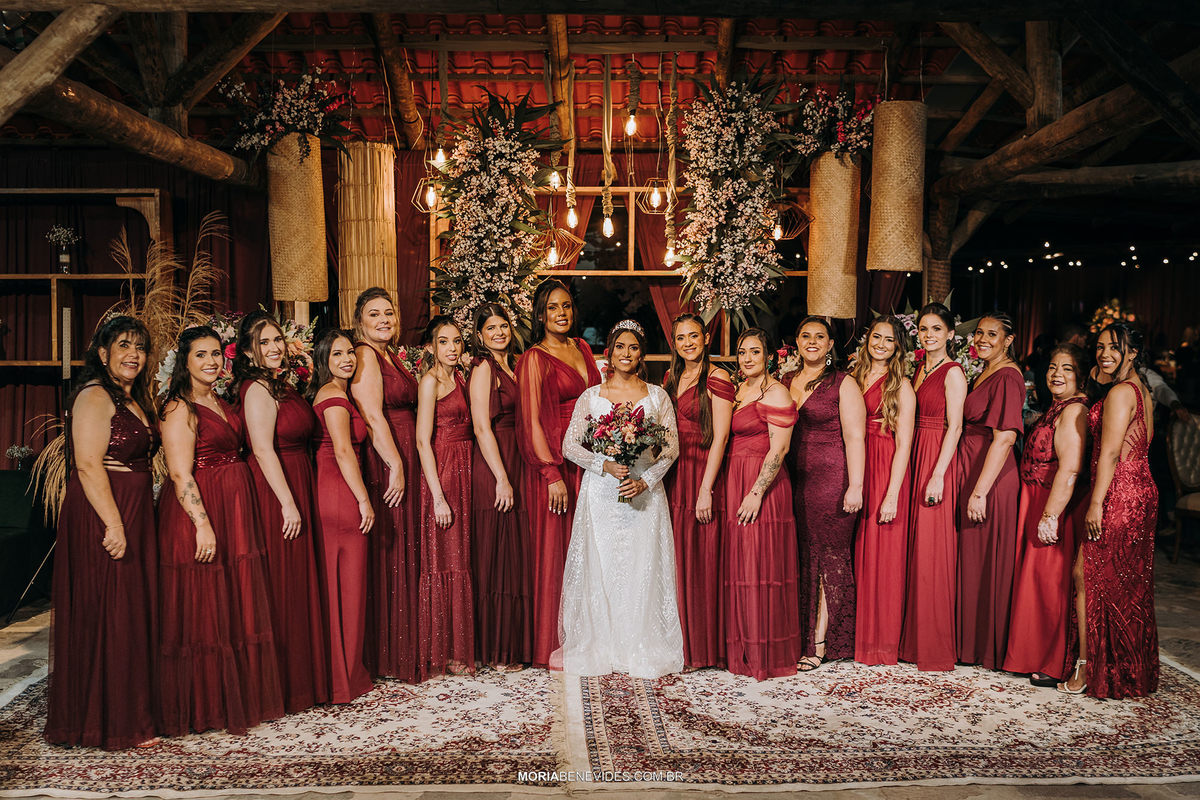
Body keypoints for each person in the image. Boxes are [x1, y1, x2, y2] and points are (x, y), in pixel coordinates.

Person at [157, 326, 284, 735]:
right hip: (205, 508)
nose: (212, 361)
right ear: (185, 361)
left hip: (235, 506)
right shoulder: (180, 407)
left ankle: (239, 693)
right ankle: (207, 704)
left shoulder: (219, 398)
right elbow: (179, 473)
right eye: (201, 355)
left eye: (216, 353)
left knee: (233, 597)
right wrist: (203, 526)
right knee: (205, 605)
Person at [45, 316, 159, 750]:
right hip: (104, 513)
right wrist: (114, 523)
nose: (133, 354)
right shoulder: (94, 395)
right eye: (124, 346)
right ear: (103, 352)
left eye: (140, 348)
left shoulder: (132, 398)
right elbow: (89, 464)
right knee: (111, 611)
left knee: (128, 612)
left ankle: (128, 711)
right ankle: (111, 722)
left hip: (133, 510)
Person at [556, 320, 682, 678]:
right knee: (604, 565)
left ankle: (639, 643)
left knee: (642, 565)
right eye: (620, 347)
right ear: (608, 351)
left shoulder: (657, 396)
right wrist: (604, 464)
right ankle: (603, 643)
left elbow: (671, 447)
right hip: (602, 493)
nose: (626, 354)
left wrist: (646, 480)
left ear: (641, 354)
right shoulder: (591, 397)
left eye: (634, 347)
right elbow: (569, 446)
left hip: (644, 493)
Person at [233, 311, 329, 713]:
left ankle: (303, 679)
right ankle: (284, 686)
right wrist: (288, 501)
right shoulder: (257, 389)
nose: (273, 348)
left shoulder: (282, 384)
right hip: (276, 488)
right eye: (264, 343)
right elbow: (261, 449)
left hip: (297, 479)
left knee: (296, 578)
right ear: (248, 352)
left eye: (276, 340)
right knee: (282, 580)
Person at [1062, 323, 1159, 698]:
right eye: (1100, 346)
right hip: (1141, 488)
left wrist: (1097, 503)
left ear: (1132, 353)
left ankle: (1088, 669)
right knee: (1125, 583)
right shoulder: (1140, 389)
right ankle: (1129, 668)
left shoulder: (1120, 392)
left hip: (1119, 491)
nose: (1105, 353)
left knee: (1087, 576)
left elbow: (1111, 452)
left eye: (1114, 348)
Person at [515, 280, 601, 667]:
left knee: (586, 551)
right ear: (540, 314)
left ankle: (587, 637)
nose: (562, 313)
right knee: (557, 552)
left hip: (587, 460)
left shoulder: (582, 348)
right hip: (554, 462)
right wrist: (550, 472)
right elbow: (530, 420)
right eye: (553, 307)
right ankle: (552, 642)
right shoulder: (534, 358)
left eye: (566, 306)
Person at [1004, 344, 1089, 686]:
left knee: (1049, 585)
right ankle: (1028, 653)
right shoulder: (1058, 408)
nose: (1057, 374)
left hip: (1052, 502)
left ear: (1080, 374)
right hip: (1034, 497)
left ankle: (1053, 662)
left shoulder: (1074, 412)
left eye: (1067, 369)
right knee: (1033, 582)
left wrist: (1051, 515)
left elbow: (1070, 468)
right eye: (1053, 367)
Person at [785, 317, 865, 671]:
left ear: (831, 344)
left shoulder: (843, 383)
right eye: (806, 336)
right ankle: (800, 635)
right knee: (803, 557)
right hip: (795, 481)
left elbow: (855, 437)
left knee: (826, 558)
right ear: (797, 342)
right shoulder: (786, 381)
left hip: (832, 480)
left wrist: (856, 485)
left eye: (820, 337)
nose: (812, 341)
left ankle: (821, 642)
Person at [723, 328, 801, 680]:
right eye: (742, 352)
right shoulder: (739, 391)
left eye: (755, 351)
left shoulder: (776, 391)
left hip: (762, 486)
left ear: (769, 356)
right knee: (742, 566)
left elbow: (780, 449)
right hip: (735, 477)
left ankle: (764, 653)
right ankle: (741, 647)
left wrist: (756, 492)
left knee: (761, 567)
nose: (748, 358)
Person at [351, 287, 420, 682]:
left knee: (405, 547)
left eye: (389, 313)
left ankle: (403, 646)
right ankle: (387, 653)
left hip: (403, 451)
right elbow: (373, 415)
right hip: (386, 458)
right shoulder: (364, 355)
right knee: (391, 550)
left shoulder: (389, 354)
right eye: (374, 314)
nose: (383, 320)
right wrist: (395, 463)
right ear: (359, 319)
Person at [662, 313, 735, 670]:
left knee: (700, 559)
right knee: (677, 559)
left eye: (694, 336)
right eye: (681, 338)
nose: (688, 343)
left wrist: (706, 489)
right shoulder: (672, 376)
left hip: (702, 472)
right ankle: (681, 643)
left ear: (706, 338)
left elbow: (721, 435)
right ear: (673, 343)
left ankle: (703, 648)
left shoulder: (717, 376)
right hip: (674, 474)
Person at [898, 303, 967, 672]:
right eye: (924, 329)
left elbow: (955, 427)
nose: (929, 335)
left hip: (935, 456)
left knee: (933, 549)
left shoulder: (953, 373)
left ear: (950, 334)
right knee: (916, 548)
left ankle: (934, 646)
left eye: (937, 329)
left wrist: (939, 473)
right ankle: (913, 640)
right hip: (915, 453)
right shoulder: (922, 367)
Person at [309, 329, 375, 704]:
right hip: (340, 492)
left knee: (343, 587)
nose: (347, 359)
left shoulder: (337, 393)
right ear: (323, 360)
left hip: (335, 489)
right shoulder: (333, 397)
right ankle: (342, 679)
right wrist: (364, 500)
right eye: (337, 354)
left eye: (350, 352)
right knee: (345, 588)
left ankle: (345, 674)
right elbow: (343, 452)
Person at [956, 313, 1025, 670]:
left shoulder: (1009, 377)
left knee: (984, 563)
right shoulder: (985, 370)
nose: (983, 339)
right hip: (974, 471)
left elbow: (1006, 437)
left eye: (992, 334)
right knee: (972, 562)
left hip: (992, 479)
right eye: (980, 333)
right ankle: (968, 644)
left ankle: (983, 648)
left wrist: (980, 491)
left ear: (1008, 340)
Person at [849, 316, 916, 666]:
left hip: (884, 467)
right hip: (853, 465)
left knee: (881, 554)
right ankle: (852, 636)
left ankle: (879, 642)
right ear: (868, 339)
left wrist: (892, 494)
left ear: (897, 347)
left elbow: (905, 444)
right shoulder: (853, 377)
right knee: (854, 551)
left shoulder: (901, 385)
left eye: (889, 340)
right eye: (877, 336)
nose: (881, 344)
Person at [469, 303, 530, 671]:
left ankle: (514, 644)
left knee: (514, 553)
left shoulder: (516, 364)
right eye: (490, 328)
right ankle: (495, 650)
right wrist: (502, 478)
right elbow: (480, 426)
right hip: (495, 464)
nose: (498, 332)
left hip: (517, 458)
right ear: (479, 335)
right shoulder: (483, 368)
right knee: (496, 556)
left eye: (503, 325)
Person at [414, 316, 475, 677]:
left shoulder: (461, 378)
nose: (452, 348)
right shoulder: (429, 383)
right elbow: (423, 440)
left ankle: (461, 645)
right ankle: (446, 650)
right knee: (446, 558)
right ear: (430, 347)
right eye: (444, 342)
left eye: (456, 341)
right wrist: (437, 496)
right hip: (445, 470)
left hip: (466, 467)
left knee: (461, 555)